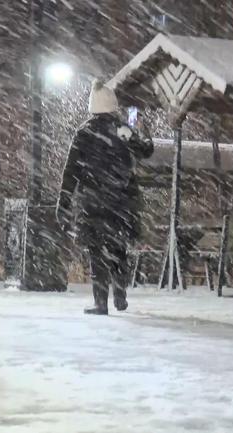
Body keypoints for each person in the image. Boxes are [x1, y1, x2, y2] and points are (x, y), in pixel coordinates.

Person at [57, 79, 154, 315]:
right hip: (121, 201)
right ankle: (120, 295)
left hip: (93, 202)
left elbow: (71, 172)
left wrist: (64, 203)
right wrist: (144, 131)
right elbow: (146, 151)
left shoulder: (84, 133)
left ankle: (101, 302)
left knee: (97, 251)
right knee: (118, 248)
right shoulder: (122, 129)